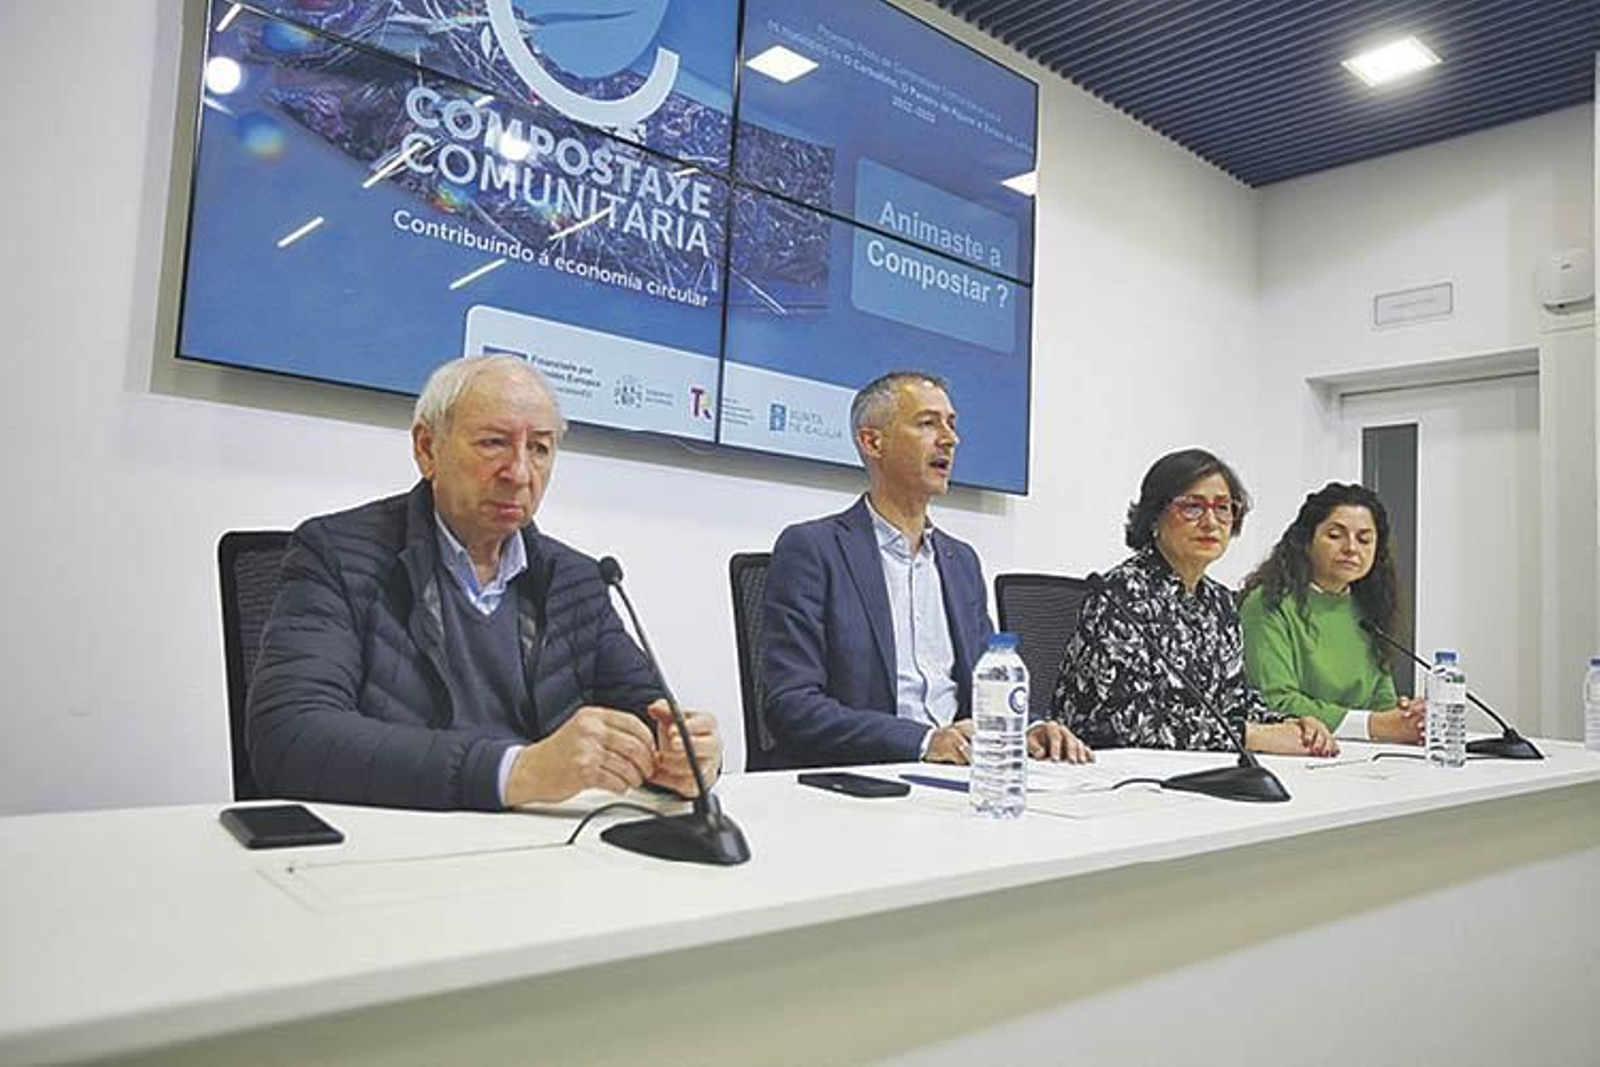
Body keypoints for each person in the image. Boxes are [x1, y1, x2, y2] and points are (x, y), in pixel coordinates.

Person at [246, 355, 722, 811]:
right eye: (494, 442)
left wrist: (688, 757)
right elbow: (290, 737)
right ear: (426, 449)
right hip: (394, 844)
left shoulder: (577, 579)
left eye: (539, 448)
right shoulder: (338, 553)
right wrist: (518, 771)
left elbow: (649, 714)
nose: (518, 473)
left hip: (546, 852)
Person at [761, 371, 1088, 768]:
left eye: (951, 424)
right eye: (928, 423)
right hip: (863, 778)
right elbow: (791, 704)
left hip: (961, 775)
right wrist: (922, 742)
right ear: (872, 441)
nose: (950, 439)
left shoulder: (961, 561)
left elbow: (990, 683)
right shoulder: (814, 549)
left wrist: (1029, 727)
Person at [1050, 448, 1337, 757]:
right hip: (1112, 776)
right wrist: (1249, 736)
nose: (1211, 522)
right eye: (1192, 507)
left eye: (1223, 508)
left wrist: (1293, 726)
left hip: (1196, 768)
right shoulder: (1119, 595)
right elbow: (1121, 722)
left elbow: (1234, 702)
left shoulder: (1220, 603)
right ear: (1154, 516)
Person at [1239, 482, 1423, 744]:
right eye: (1336, 535)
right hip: (1296, 754)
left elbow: (1382, 701)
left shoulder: (1371, 607)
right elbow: (1274, 702)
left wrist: (1406, 718)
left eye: (1364, 539)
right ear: (1306, 540)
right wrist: (1374, 725)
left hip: (1362, 755)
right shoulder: (1268, 603)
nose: (1351, 548)